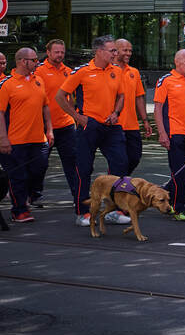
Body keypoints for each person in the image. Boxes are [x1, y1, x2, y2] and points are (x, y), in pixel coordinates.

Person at [56, 35, 128, 227]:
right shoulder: (82, 72)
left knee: (121, 164)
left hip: (111, 125)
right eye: (112, 50)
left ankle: (113, 209)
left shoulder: (117, 71)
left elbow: (121, 95)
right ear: (99, 51)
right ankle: (82, 213)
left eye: (115, 50)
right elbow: (60, 96)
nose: (116, 54)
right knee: (84, 169)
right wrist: (77, 117)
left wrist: (116, 111)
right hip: (89, 125)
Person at [0, 47, 52, 222]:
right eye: (34, 60)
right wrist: (3, 138)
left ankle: (27, 197)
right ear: (23, 61)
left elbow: (45, 106)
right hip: (16, 140)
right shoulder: (7, 84)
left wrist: (49, 130)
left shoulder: (39, 81)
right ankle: (19, 210)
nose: (37, 62)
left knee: (39, 170)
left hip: (38, 139)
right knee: (18, 176)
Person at [154, 49, 185, 221]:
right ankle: (178, 207)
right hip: (174, 132)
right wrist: (162, 133)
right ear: (177, 61)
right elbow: (158, 108)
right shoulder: (166, 80)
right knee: (178, 171)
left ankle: (166, 191)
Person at [32, 39, 76, 210]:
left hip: (66, 125)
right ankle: (34, 194)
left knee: (72, 162)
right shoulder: (39, 72)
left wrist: (74, 115)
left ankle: (77, 195)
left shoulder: (69, 72)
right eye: (56, 52)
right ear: (48, 52)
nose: (60, 55)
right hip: (44, 126)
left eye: (62, 52)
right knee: (40, 163)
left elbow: (72, 97)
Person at [113, 38, 152, 176]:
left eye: (130, 50)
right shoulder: (108, 70)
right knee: (119, 161)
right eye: (125, 50)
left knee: (134, 158)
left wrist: (145, 121)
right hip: (114, 125)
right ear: (115, 51)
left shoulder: (134, 72)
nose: (128, 53)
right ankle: (116, 188)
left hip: (132, 125)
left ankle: (117, 181)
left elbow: (139, 97)